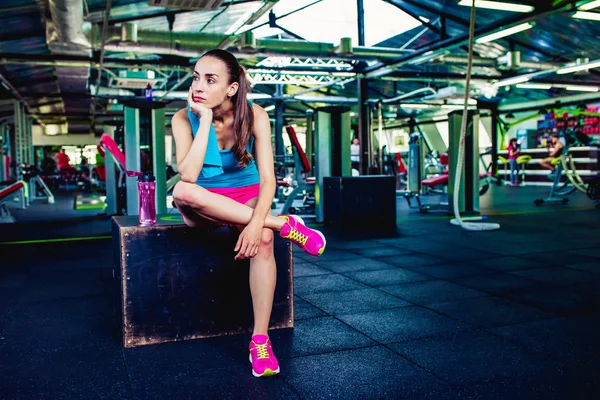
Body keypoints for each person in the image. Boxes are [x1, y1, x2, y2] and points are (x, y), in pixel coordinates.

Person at [171, 49, 326, 378]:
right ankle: (283, 225)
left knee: (265, 239)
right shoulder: (183, 118)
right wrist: (205, 121)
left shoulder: (256, 115)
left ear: (231, 88)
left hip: (247, 194)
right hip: (205, 199)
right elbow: (188, 175)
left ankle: (260, 341)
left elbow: (268, 178)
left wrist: (256, 224)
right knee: (182, 192)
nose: (198, 85)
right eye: (196, 76)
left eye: (210, 79)